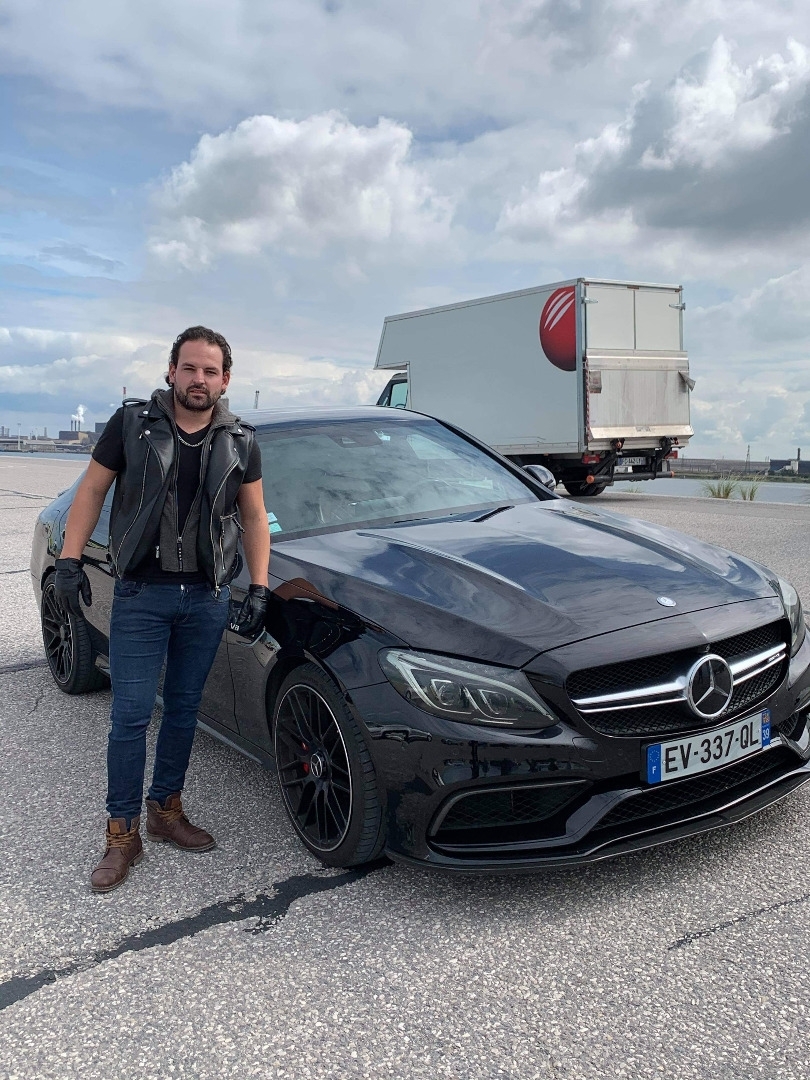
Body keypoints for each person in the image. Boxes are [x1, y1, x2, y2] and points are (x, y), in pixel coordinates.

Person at [54, 326, 271, 893]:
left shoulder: (241, 440)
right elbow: (92, 491)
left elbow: (254, 516)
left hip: (206, 597)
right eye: (189, 368)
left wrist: (259, 586)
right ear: (171, 371)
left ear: (226, 380)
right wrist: (69, 561)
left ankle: (165, 810)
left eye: (210, 371)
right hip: (141, 596)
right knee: (129, 715)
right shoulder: (132, 425)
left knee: (183, 709)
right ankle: (122, 833)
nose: (199, 379)